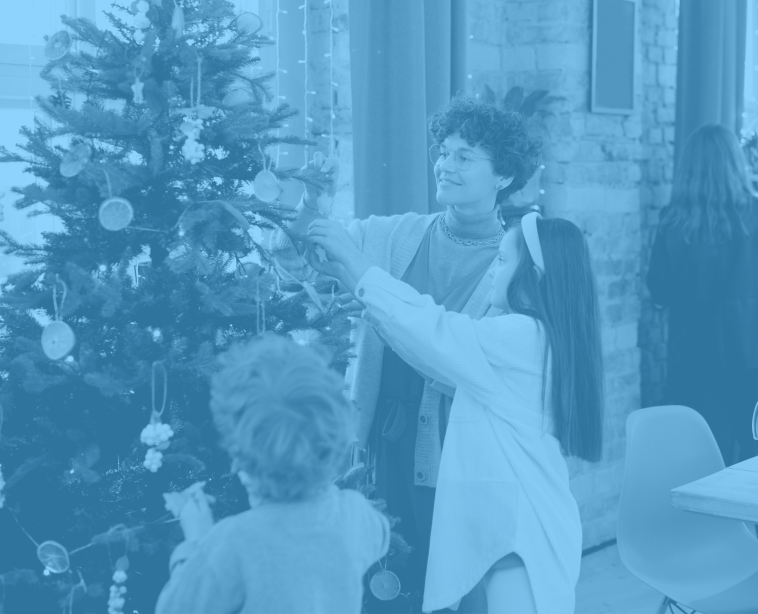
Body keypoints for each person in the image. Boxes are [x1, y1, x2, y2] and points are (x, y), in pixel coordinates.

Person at [269, 97, 543, 610]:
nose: (446, 163)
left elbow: (451, 358)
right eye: (444, 151)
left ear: (503, 175)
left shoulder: (514, 265)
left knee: (457, 595)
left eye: (466, 156)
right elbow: (295, 263)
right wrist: (313, 202)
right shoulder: (395, 235)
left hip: (463, 457)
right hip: (383, 447)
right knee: (383, 587)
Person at [306, 212, 604, 613]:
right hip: (520, 527)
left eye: (503, 260)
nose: (495, 272)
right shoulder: (535, 336)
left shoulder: (519, 337)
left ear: (530, 275)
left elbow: (432, 329)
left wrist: (352, 258)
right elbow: (427, 354)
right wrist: (352, 281)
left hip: (521, 532)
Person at [155, 334, 390, 614]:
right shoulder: (354, 514)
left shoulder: (231, 541)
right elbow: (379, 535)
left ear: (240, 461)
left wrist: (196, 541)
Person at [646, 123, 758, 465]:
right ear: (735, 162)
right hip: (757, 360)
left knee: (702, 468)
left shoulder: (672, 221)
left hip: (694, 364)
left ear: (688, 169)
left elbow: (659, 294)